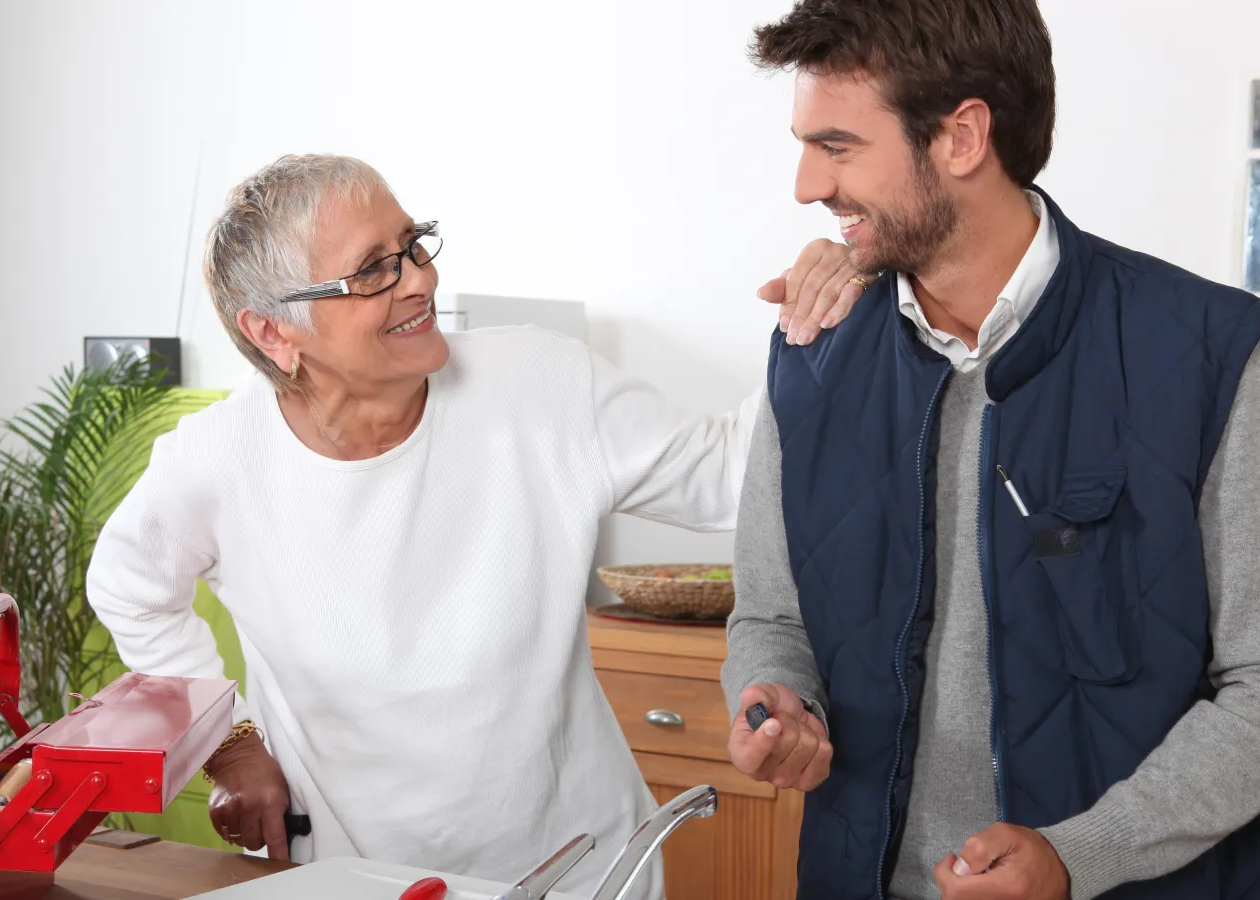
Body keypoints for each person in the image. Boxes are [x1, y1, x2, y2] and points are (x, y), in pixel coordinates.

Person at [86, 154, 868, 896]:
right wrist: (231, 746)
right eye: (372, 269)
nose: (419, 279)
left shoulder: (538, 383)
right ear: (271, 331)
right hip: (353, 876)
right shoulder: (218, 460)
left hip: (582, 872)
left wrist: (828, 314)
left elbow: (733, 476)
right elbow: (128, 588)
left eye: (413, 245)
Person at [721, 2, 1260, 899]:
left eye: (839, 146)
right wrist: (775, 701)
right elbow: (771, 617)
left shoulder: (1213, 357)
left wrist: (1080, 855)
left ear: (963, 136)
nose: (805, 185)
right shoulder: (813, 347)